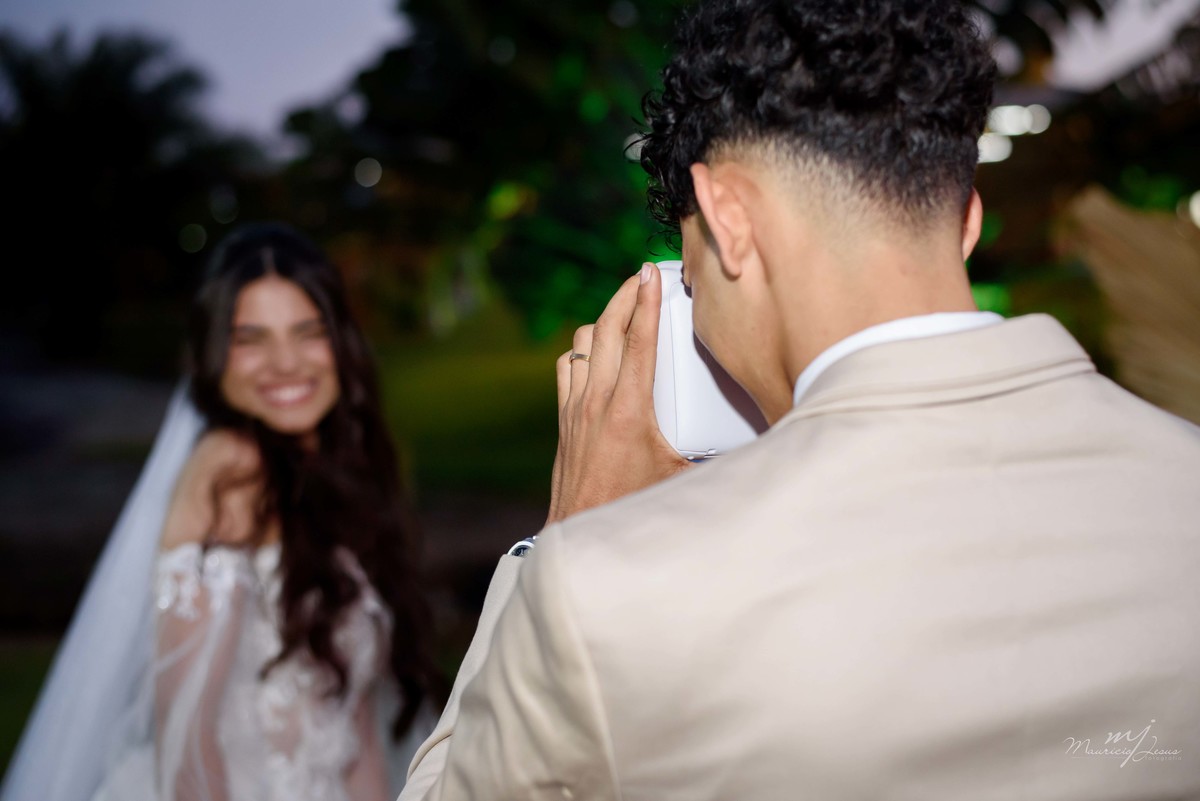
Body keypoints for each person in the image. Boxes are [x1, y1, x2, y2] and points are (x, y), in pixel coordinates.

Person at [398, 1, 1200, 799]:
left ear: (729, 219)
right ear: (967, 221)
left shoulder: (608, 595)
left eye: (691, 275)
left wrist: (561, 540)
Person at [2, 224, 441, 801]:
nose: (285, 362)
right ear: (215, 355)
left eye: (308, 332)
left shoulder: (344, 472)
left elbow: (355, 726)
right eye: (250, 339)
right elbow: (187, 738)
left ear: (341, 342)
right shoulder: (233, 473)